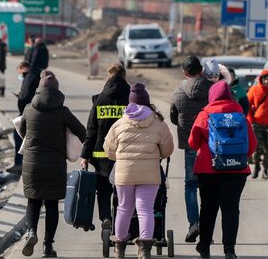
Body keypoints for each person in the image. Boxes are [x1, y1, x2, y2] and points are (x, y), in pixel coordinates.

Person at [19, 70, 86, 258]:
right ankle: (48, 246)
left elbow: (23, 132)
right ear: (57, 91)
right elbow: (82, 132)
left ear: (39, 89)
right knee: (51, 205)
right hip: (55, 165)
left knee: (33, 201)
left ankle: (32, 232)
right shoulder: (63, 112)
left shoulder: (28, 109)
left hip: (32, 164)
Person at [104, 83, 174, 259]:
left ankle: (119, 247)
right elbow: (167, 150)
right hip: (150, 174)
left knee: (124, 208)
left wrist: (119, 158)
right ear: (147, 102)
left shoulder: (119, 124)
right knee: (145, 210)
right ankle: (144, 249)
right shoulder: (159, 124)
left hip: (124, 174)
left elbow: (109, 151)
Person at [188, 80, 257, 259]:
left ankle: (204, 247)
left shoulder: (205, 115)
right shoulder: (241, 116)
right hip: (236, 170)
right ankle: (229, 250)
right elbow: (252, 146)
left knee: (208, 207)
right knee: (231, 208)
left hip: (208, 170)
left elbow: (192, 143)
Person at [79, 63, 130, 237]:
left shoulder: (100, 100)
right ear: (124, 77)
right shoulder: (132, 99)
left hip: (102, 156)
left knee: (103, 190)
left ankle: (106, 217)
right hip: (126, 155)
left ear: (108, 77)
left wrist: (85, 156)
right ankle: (123, 223)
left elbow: (91, 131)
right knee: (125, 190)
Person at [170, 55, 213, 243]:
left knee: (191, 185)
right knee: (209, 188)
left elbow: (173, 116)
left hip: (190, 145)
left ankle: (193, 223)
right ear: (201, 71)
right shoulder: (212, 89)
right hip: (211, 146)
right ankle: (206, 230)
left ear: (185, 73)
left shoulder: (179, 91)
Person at [7, 61, 41, 174]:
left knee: (18, 135)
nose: (20, 75)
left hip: (26, 113)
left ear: (23, 68)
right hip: (29, 112)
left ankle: (19, 164)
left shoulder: (29, 77)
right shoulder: (32, 76)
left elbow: (26, 96)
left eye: (19, 71)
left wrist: (20, 97)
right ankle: (23, 164)